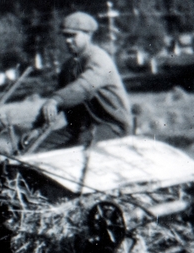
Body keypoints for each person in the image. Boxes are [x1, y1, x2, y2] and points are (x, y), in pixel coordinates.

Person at [23, 11, 133, 153]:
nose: (67, 40)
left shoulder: (99, 58)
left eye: (72, 35)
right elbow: (58, 103)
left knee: (79, 149)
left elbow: (84, 87)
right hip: (79, 128)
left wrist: (56, 100)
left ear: (88, 35)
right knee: (33, 148)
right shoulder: (69, 66)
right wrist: (37, 129)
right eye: (65, 36)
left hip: (111, 126)